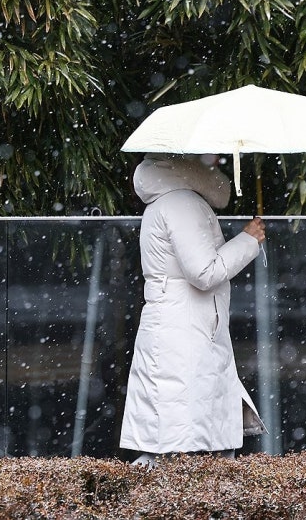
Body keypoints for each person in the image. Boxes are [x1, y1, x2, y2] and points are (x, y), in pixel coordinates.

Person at [119, 153, 267, 469]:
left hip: (177, 322)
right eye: (209, 158)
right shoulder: (182, 203)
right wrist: (248, 240)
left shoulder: (165, 201)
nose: (215, 162)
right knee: (185, 432)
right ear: (187, 163)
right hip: (186, 326)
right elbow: (203, 273)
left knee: (168, 424)